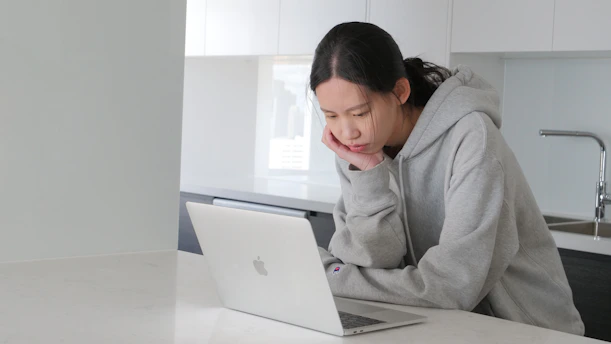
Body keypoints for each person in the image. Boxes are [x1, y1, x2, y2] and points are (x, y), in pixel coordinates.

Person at [310, 22, 584, 335]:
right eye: (331, 115)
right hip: (440, 325)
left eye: (358, 113)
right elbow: (371, 261)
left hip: (528, 331)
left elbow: (451, 287)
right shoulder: (357, 148)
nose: (346, 132)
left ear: (400, 91)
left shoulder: (472, 137)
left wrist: (330, 275)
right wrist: (368, 175)